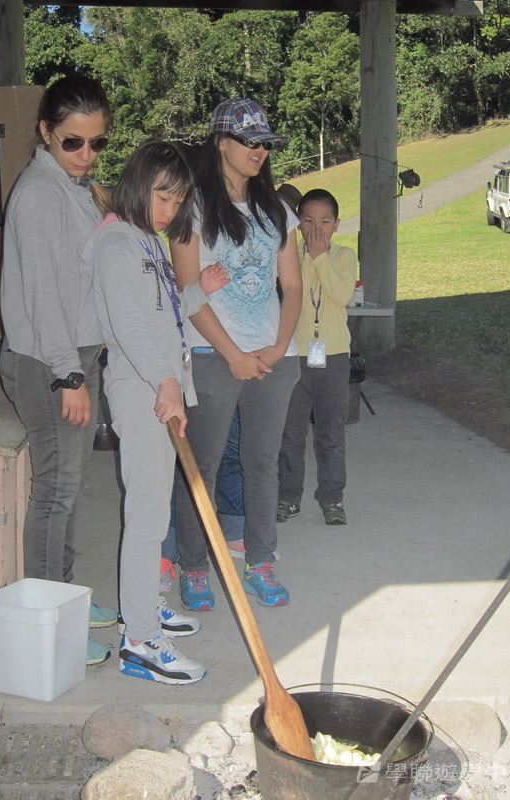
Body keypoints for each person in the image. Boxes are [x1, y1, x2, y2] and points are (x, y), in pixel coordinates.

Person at [90, 140, 229, 683]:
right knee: (147, 517)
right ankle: (140, 641)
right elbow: (128, 324)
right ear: (137, 183)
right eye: (162, 197)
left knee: (155, 513)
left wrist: (196, 291)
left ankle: (143, 605)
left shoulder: (144, 240)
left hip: (161, 387)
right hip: (142, 388)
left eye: (177, 201)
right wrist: (166, 380)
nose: (169, 211)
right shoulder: (116, 244)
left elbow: (164, 309)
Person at [0, 75, 117, 667]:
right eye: (74, 142)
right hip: (49, 361)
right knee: (54, 491)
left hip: (77, 355)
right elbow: (44, 297)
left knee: (70, 489)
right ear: (45, 132)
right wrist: (69, 377)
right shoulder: (41, 193)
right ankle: (48, 623)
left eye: (97, 143)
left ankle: (64, 597)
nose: (87, 155)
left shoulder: (74, 185)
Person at [170, 98, 302, 611]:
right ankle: (195, 566)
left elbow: (291, 286)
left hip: (273, 357)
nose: (258, 151)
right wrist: (233, 355)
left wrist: (274, 346)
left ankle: (261, 561)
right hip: (211, 356)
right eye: (248, 141)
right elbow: (188, 293)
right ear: (220, 143)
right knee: (199, 466)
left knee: (262, 464)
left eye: (264, 143)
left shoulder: (278, 211)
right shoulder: (192, 209)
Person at [277, 189, 357, 526]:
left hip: (334, 356)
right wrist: (307, 257)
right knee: (290, 433)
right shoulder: (288, 256)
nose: (316, 228)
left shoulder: (345, 256)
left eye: (324, 221)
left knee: (331, 433)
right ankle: (288, 497)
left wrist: (321, 257)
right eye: (308, 221)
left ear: (337, 224)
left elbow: (341, 295)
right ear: (298, 223)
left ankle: (332, 498)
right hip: (295, 355)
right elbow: (289, 293)